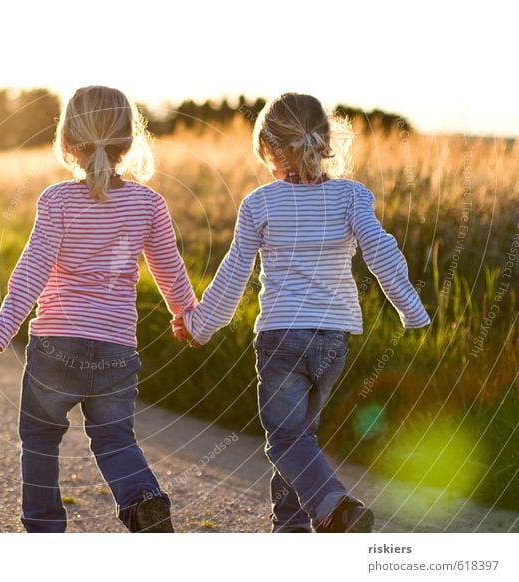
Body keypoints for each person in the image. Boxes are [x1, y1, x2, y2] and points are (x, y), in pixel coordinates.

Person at [174, 93, 431, 533]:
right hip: (334, 340)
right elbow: (381, 252)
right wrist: (412, 311)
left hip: (281, 338)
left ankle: (336, 506)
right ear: (326, 142)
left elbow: (234, 272)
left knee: (284, 440)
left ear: (269, 150)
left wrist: (200, 325)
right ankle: (290, 528)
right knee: (299, 440)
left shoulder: (260, 202)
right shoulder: (352, 196)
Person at [0, 85, 197, 533]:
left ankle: (44, 528)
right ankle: (142, 502)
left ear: (68, 142)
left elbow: (34, 267)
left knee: (39, 438)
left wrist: (5, 320)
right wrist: (190, 317)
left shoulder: (57, 200)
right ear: (128, 143)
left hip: (56, 344)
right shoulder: (148, 203)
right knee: (114, 439)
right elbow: (171, 272)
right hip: (115, 348)